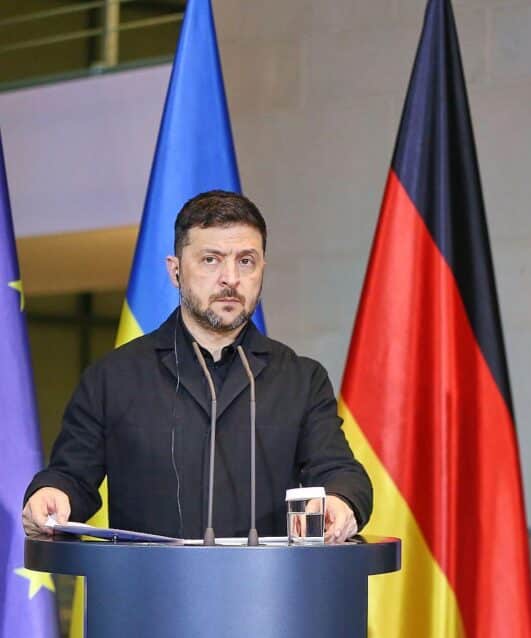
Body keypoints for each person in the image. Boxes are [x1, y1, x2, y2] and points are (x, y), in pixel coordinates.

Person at [22, 190, 371, 542]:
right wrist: (51, 494)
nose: (230, 278)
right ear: (175, 271)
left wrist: (340, 501)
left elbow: (339, 472)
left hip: (267, 578)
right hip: (147, 577)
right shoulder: (112, 377)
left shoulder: (301, 380)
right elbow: (71, 478)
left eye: (246, 261)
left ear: (262, 269)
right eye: (211, 260)